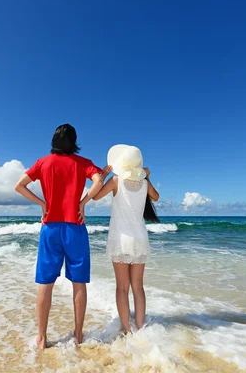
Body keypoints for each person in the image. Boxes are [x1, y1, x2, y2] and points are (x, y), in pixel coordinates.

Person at [15, 123, 103, 349]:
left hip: (50, 228)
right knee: (79, 283)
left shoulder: (43, 163)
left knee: (46, 283)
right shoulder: (83, 163)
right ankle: (79, 333)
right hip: (75, 227)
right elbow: (99, 181)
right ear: (74, 142)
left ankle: (42, 338)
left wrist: (42, 203)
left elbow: (20, 186)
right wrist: (82, 203)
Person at [89, 144, 159, 333]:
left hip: (120, 239)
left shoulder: (116, 181)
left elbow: (94, 197)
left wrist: (102, 176)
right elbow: (156, 197)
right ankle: (141, 326)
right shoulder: (144, 183)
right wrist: (146, 176)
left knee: (122, 287)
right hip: (140, 239)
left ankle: (128, 329)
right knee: (138, 286)